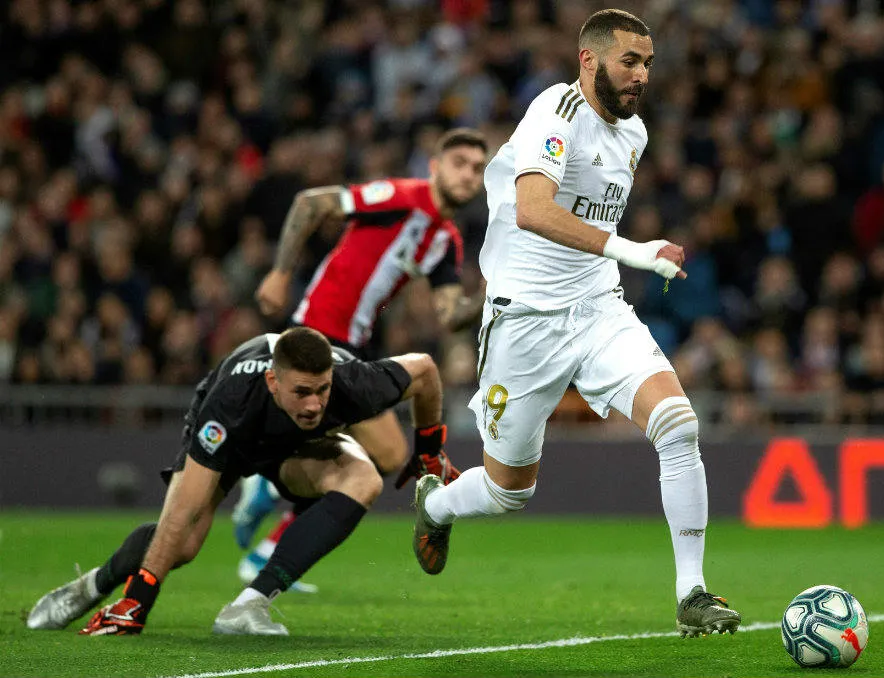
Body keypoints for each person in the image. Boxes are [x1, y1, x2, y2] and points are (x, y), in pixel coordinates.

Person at [411, 9, 741, 638]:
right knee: (510, 491)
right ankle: (437, 501)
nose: (642, 74)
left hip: (598, 310)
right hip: (525, 322)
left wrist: (619, 262)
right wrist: (632, 249)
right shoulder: (554, 113)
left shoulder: (635, 134)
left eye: (647, 62)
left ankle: (692, 592)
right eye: (630, 61)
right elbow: (533, 211)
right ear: (589, 60)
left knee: (678, 424)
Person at [26, 327, 446, 636]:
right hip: (236, 443)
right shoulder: (230, 402)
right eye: (302, 391)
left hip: (296, 447)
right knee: (184, 544)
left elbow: (425, 371)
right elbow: (183, 510)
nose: (315, 403)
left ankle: (249, 605)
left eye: (322, 390)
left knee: (363, 477)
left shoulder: (353, 384)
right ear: (272, 382)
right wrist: (139, 597)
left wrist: (429, 450)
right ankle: (90, 587)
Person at [234, 128, 489, 588]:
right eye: (459, 163)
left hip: (353, 347)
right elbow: (312, 202)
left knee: (386, 454)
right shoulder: (400, 195)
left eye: (477, 169)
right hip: (316, 333)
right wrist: (279, 273)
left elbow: (450, 314)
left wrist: (490, 295)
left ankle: (269, 499)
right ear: (434, 166)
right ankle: (268, 502)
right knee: (382, 455)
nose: (468, 175)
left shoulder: (445, 239)